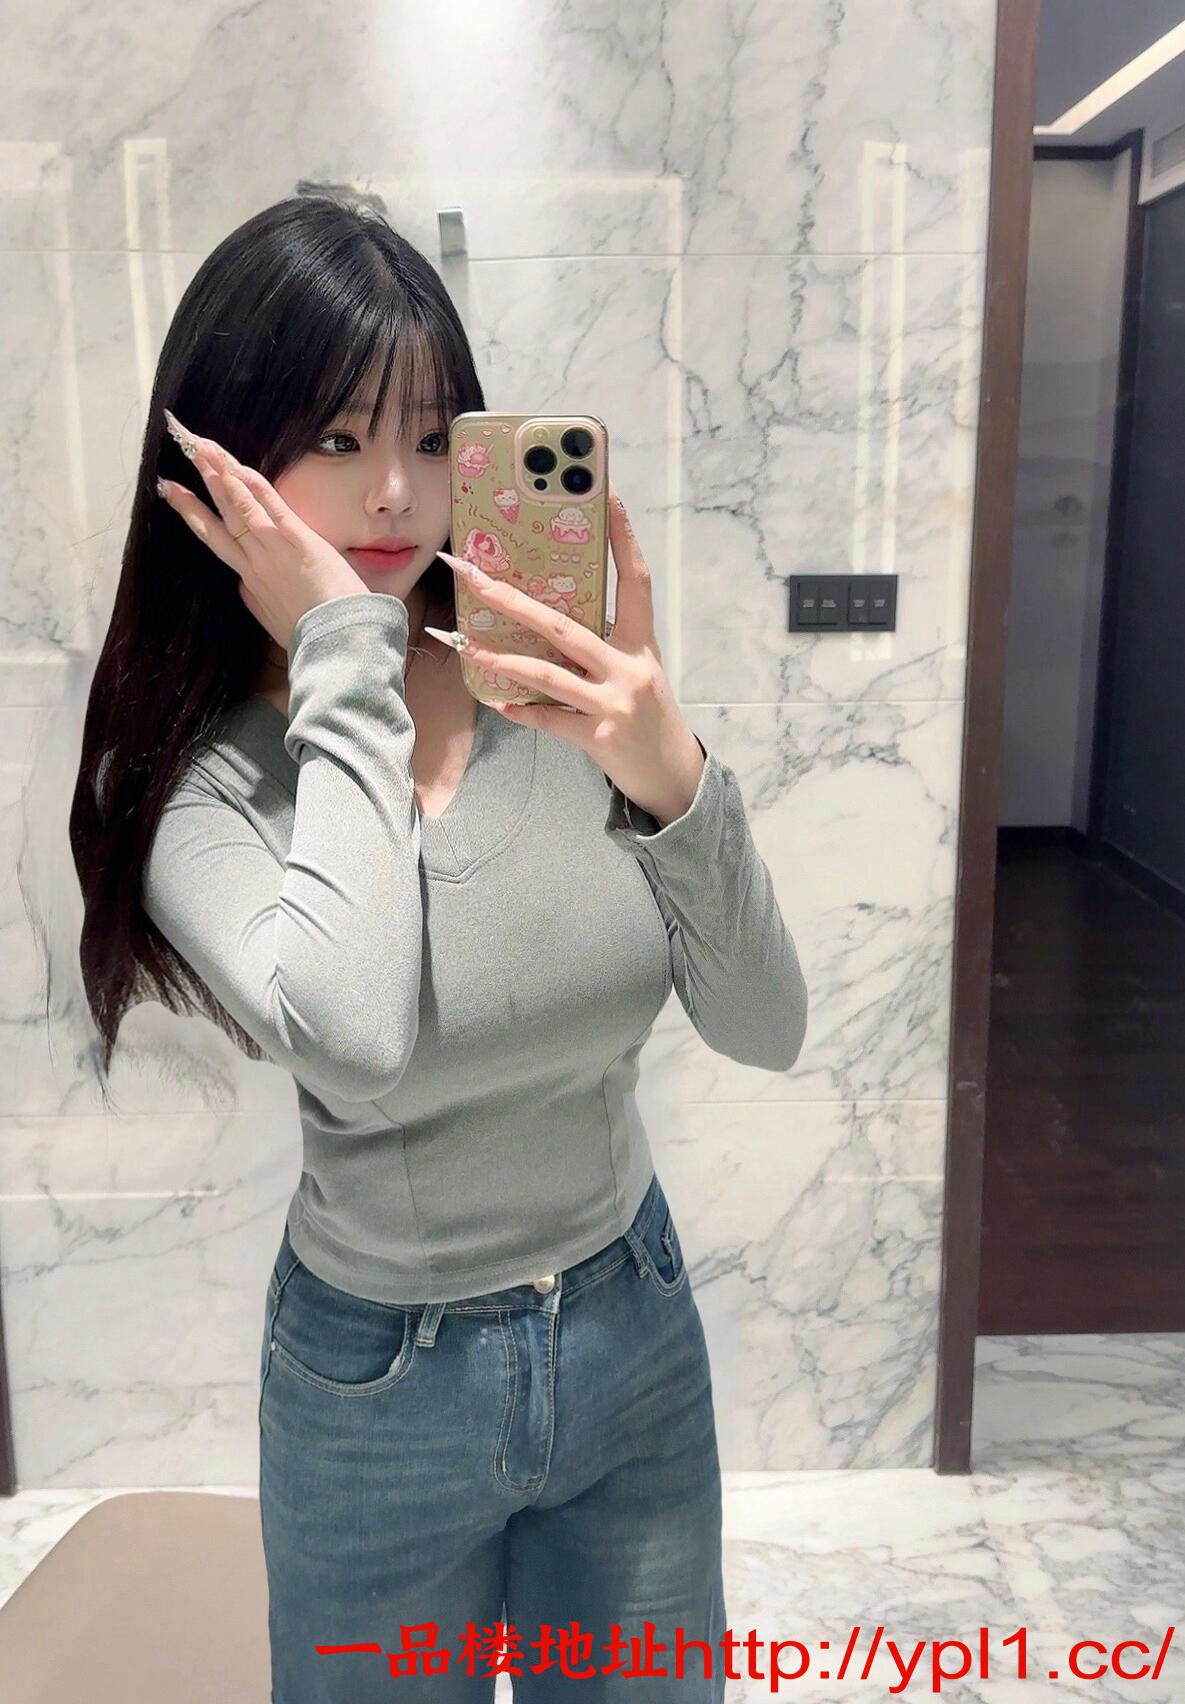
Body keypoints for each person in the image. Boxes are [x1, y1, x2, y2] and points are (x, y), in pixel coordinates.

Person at [69, 193, 809, 1702]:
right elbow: (356, 1041)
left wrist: (667, 769)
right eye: (337, 438)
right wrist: (343, 652)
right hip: (379, 1391)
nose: (398, 492)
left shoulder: (555, 691)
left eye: (428, 431)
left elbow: (766, 1025)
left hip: (632, 1333)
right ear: (222, 459)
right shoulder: (202, 784)